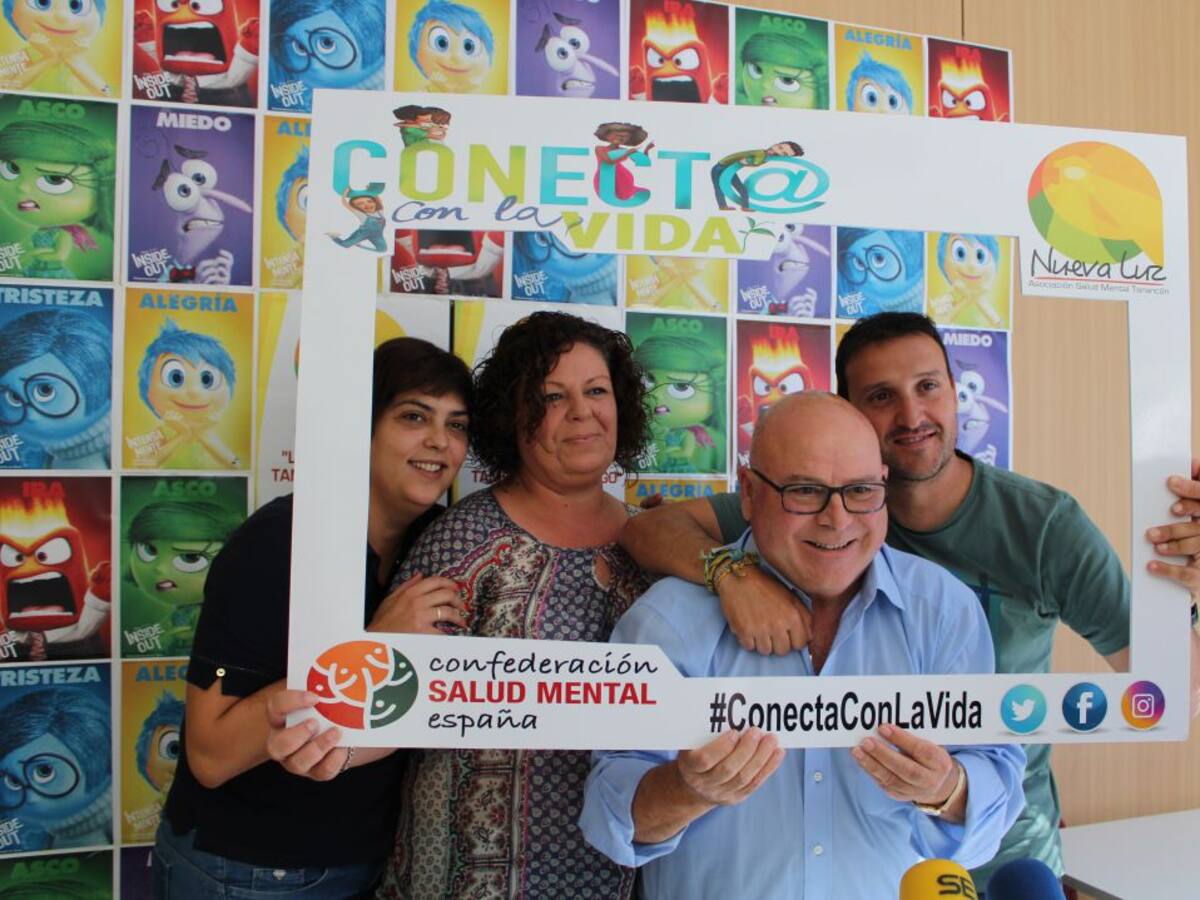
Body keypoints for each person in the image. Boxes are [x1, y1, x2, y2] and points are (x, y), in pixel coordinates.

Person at [619, 311, 1200, 892]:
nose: (912, 415)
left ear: (955, 391)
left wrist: (1186, 594)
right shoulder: (799, 505)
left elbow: (1174, 693)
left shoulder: (1043, 526)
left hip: (1006, 851)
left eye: (928, 386)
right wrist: (733, 575)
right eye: (881, 396)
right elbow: (647, 530)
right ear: (849, 411)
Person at [582, 393, 1025, 898]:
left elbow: (997, 791)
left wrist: (948, 789)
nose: (837, 518)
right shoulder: (669, 618)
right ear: (749, 492)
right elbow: (610, 816)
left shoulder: (943, 609)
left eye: (860, 490)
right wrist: (685, 790)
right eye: (806, 491)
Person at [291, 311, 647, 898]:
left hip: (609, 872)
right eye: (552, 397)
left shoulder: (653, 542)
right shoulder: (464, 541)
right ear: (514, 417)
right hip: (468, 877)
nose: (581, 412)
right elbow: (398, 699)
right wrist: (331, 743)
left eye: (596, 391)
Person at [152, 337, 473, 898]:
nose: (439, 442)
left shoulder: (441, 541)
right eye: (414, 416)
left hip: (373, 862)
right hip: (249, 871)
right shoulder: (277, 544)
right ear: (359, 426)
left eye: (457, 425)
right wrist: (374, 646)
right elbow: (209, 754)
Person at [593, 122, 654, 203]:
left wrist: (647, 150)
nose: (621, 138)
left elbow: (642, 161)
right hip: (606, 179)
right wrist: (627, 154)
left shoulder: (623, 150)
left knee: (632, 194)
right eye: (618, 135)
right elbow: (608, 162)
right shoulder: (600, 148)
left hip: (624, 180)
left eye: (625, 136)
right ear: (607, 135)